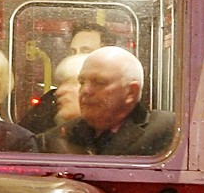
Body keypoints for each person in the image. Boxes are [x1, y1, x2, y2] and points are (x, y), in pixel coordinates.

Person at [41, 45, 179, 158]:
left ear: (131, 92)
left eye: (99, 83)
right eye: (81, 82)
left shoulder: (170, 131)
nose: (85, 91)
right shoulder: (56, 137)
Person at [20, 22, 109, 134]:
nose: (76, 56)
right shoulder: (52, 100)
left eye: (86, 51)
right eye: (73, 52)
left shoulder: (116, 101)